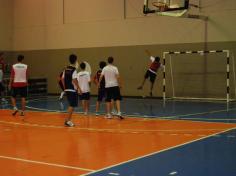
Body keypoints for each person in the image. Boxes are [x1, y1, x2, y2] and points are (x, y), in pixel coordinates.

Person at [62, 54, 81, 127]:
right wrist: (79, 88)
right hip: (72, 89)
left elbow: (62, 79)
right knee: (72, 105)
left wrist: (65, 88)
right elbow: (74, 80)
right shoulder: (74, 70)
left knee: (71, 105)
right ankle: (67, 121)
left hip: (67, 89)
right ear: (75, 60)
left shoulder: (66, 69)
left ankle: (68, 120)